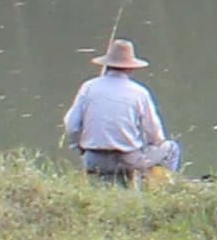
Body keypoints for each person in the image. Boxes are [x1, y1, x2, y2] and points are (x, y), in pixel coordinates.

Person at [63, 37, 179, 184]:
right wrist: (148, 145)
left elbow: (71, 125)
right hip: (127, 161)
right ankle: (160, 190)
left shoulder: (88, 87)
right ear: (130, 67)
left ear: (107, 65)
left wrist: (80, 147)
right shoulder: (139, 92)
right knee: (171, 149)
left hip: (93, 160)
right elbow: (155, 134)